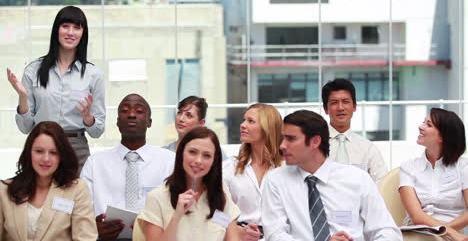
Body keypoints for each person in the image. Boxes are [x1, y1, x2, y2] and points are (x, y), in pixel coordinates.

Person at [261, 110, 402, 241]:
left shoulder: (357, 178)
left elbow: (387, 231)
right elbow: (275, 235)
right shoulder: (275, 180)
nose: (282, 146)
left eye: (291, 139)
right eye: (283, 138)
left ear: (315, 141)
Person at [7, 5, 106, 169]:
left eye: (76, 28)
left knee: (75, 194)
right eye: (65, 26)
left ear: (83, 34)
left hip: (76, 149)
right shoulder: (34, 70)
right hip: (41, 146)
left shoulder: (94, 74)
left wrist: (88, 118)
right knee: (40, 195)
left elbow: (98, 131)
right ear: (56, 30)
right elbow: (25, 128)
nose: (70, 32)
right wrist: (23, 97)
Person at [81, 93, 175, 240]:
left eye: (139, 111)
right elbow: (81, 210)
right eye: (125, 111)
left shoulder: (169, 161)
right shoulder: (95, 163)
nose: (131, 114)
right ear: (117, 122)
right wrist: (93, 227)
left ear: (149, 122)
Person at [133, 126, 249, 241]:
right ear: (181, 153)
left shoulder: (221, 193)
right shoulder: (157, 197)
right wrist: (177, 216)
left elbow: (231, 233)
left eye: (206, 155)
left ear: (214, 161)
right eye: (193, 152)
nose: (198, 161)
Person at [0, 121, 97, 240]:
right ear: (29, 152)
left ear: (62, 156)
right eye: (39, 151)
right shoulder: (4, 189)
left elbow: (86, 238)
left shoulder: (77, 189)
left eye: (53, 152)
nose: (46, 159)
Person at [399, 108, 468, 241]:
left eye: (428, 124)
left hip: (456, 235)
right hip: (418, 234)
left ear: (443, 136)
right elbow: (416, 216)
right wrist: (448, 232)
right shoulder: (408, 167)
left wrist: (446, 232)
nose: (420, 127)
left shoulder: (464, 167)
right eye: (423, 122)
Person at [223, 103, 283, 240]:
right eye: (244, 120)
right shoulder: (229, 169)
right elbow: (213, 213)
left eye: (251, 121)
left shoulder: (287, 169)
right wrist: (236, 230)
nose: (243, 125)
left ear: (268, 128)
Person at [322, 78, 387, 181]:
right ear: (326, 109)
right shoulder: (315, 146)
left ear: (354, 106)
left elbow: (382, 184)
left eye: (345, 102)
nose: (340, 108)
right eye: (334, 102)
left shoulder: (368, 149)